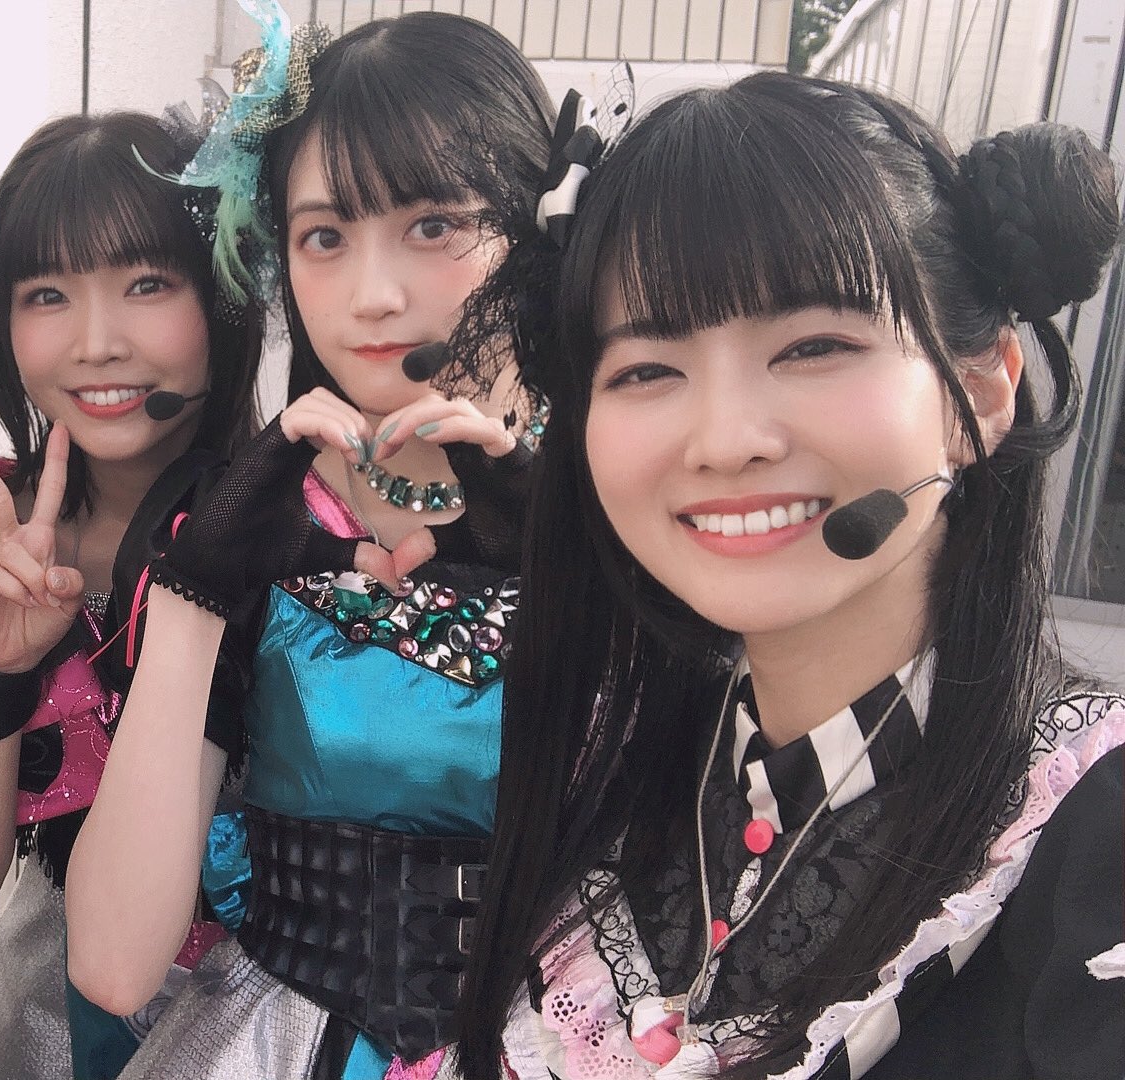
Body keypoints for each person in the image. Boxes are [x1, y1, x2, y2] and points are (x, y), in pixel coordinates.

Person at [447, 72, 1125, 1079]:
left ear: (982, 392)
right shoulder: (628, 758)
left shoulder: (1092, 834)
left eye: (813, 346)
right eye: (646, 369)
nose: (727, 441)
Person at [64, 8, 554, 1078]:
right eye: (325, 236)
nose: (372, 297)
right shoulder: (247, 518)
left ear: (536, 231)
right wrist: (193, 600)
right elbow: (112, 966)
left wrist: (575, 566)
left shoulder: (638, 501)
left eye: (435, 224)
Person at [0, 110, 263, 1080]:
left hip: (256, 1033)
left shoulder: (302, 527)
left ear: (224, 293)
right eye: (47, 295)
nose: (98, 343)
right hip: (35, 1029)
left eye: (147, 284)